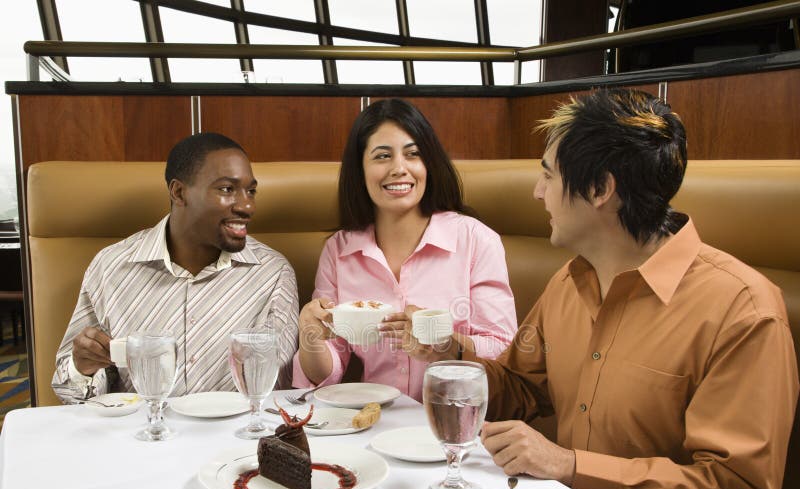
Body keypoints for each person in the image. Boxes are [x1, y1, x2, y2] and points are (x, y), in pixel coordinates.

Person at [474, 88, 798, 489]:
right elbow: (520, 388)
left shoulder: (743, 310)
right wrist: (443, 355)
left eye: (548, 174)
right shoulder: (570, 279)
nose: (537, 192)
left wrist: (571, 466)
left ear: (601, 189)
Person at [293, 98, 517, 401]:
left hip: (454, 420)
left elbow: (503, 347)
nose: (399, 168)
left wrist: (446, 344)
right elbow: (328, 370)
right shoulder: (338, 251)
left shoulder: (476, 240)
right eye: (382, 156)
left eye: (413, 154)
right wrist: (311, 338)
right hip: (375, 422)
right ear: (360, 170)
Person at [53, 132, 299, 401]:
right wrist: (83, 368)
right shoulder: (110, 268)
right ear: (179, 192)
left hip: (236, 437)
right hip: (141, 436)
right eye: (227, 189)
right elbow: (71, 395)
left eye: (251, 191)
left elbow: (280, 388)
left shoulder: (272, 273)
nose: (247, 206)